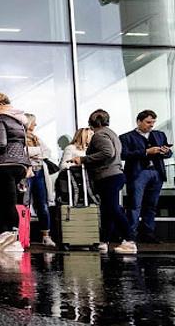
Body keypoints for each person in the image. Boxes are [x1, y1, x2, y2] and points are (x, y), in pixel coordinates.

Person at [73, 109, 136, 254]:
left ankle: (129, 240)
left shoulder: (99, 135)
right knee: (107, 210)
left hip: (108, 176)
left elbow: (108, 153)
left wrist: (83, 159)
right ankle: (104, 241)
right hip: (115, 174)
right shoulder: (111, 133)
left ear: (91, 122)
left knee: (112, 208)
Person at [0, 91, 30, 253]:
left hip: (2, 164)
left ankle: (7, 233)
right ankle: (11, 237)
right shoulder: (19, 120)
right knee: (8, 200)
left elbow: (0, 144)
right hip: (19, 165)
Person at [120, 110, 171, 243]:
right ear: (139, 122)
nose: (151, 125)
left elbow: (168, 153)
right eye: (148, 122)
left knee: (151, 205)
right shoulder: (126, 137)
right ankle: (131, 235)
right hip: (138, 173)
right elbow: (124, 155)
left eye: (153, 122)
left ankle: (148, 233)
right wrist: (146, 152)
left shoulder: (159, 135)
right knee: (135, 205)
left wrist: (166, 152)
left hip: (156, 172)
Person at [24, 113, 56, 248]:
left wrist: (35, 153)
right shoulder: (20, 138)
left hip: (39, 172)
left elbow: (47, 152)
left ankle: (46, 236)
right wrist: (38, 152)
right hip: (27, 173)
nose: (35, 125)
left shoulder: (36, 138)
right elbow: (23, 152)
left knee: (42, 205)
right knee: (24, 204)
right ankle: (24, 236)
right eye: (34, 122)